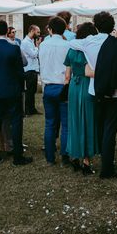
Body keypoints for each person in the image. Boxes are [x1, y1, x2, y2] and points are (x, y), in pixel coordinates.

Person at [70, 11, 117, 179]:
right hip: (116, 92)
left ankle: (105, 162)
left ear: (96, 26)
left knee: (101, 128)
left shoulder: (88, 42)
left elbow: (72, 43)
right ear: (112, 27)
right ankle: (107, 168)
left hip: (96, 90)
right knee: (110, 130)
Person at [0, 20, 32, 166]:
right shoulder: (14, 48)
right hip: (13, 90)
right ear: (7, 31)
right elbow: (23, 64)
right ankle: (18, 156)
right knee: (16, 122)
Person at [64, 22, 99, 174]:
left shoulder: (71, 49)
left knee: (74, 121)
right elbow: (92, 71)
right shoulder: (89, 51)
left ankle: (74, 156)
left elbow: (67, 75)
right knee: (87, 121)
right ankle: (86, 160)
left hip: (73, 86)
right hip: (86, 86)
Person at [39, 16, 70, 167]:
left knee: (50, 123)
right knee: (66, 125)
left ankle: (50, 157)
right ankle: (64, 156)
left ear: (50, 29)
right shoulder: (67, 45)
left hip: (48, 87)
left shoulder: (43, 45)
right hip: (63, 86)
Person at [21, 25, 42, 116]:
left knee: (33, 90)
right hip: (29, 69)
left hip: (33, 69)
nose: (39, 34)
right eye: (38, 32)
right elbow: (33, 54)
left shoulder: (31, 41)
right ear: (32, 31)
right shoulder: (25, 42)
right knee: (29, 91)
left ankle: (32, 109)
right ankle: (28, 110)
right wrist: (37, 46)